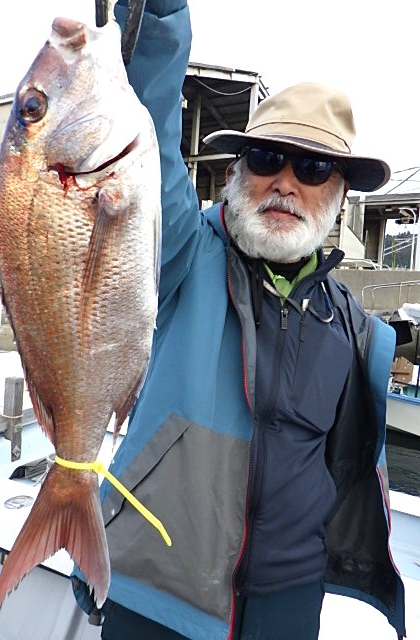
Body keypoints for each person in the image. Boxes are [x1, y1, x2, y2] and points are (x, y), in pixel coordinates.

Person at [71, 2, 406, 639]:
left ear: (337, 194)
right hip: (155, 595)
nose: (285, 182)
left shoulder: (353, 327)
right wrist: (161, 15)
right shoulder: (180, 252)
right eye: (266, 159)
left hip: (291, 603)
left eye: (312, 168)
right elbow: (143, 130)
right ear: (235, 173)